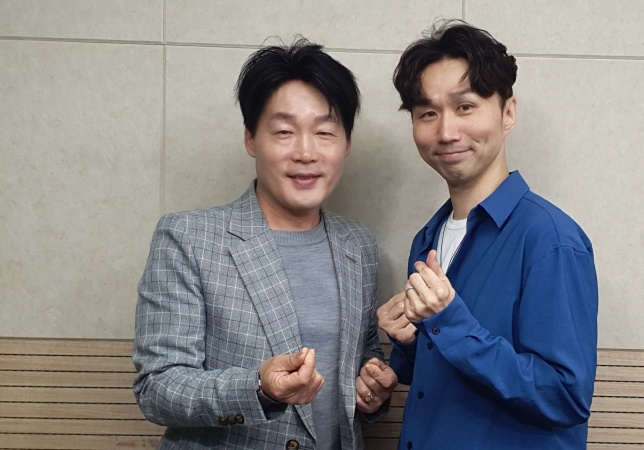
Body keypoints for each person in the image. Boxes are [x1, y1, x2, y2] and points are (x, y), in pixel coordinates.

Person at [133, 38, 397, 450]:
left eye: (325, 132)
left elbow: (361, 359)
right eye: (284, 132)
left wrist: (371, 389)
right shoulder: (188, 238)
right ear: (252, 139)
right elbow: (158, 387)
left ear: (346, 144)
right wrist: (258, 389)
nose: (306, 152)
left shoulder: (358, 246)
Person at [378, 21, 599, 449]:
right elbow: (451, 371)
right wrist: (406, 350)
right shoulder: (427, 239)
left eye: (465, 107)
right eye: (427, 113)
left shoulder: (551, 240)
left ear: (507, 113)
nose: (445, 132)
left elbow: (565, 397)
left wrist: (449, 322)